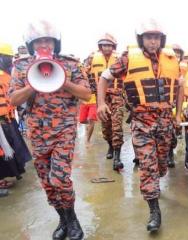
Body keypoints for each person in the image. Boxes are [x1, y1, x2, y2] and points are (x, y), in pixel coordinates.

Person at [9, 20, 91, 240]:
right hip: (37, 132)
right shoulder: (21, 66)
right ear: (31, 44)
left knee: (60, 179)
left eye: (48, 40)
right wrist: (31, 85)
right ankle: (62, 219)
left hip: (64, 129)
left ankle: (73, 219)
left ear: (56, 43)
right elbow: (13, 100)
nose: (44, 45)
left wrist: (64, 81)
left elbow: (86, 94)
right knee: (47, 182)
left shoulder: (71, 64)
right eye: (38, 41)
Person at [97, 19, 180, 232]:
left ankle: (156, 183)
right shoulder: (127, 59)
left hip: (165, 122)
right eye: (148, 37)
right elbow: (104, 78)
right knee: (147, 166)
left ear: (162, 40)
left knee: (161, 166)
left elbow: (179, 87)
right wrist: (100, 103)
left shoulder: (172, 59)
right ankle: (154, 210)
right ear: (141, 39)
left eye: (156, 37)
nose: (153, 41)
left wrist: (178, 114)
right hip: (142, 123)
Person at [84, 33, 124, 171]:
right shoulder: (91, 58)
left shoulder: (120, 58)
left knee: (117, 125)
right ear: (100, 46)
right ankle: (110, 146)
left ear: (113, 47)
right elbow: (84, 73)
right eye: (104, 45)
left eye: (109, 45)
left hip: (118, 96)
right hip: (101, 98)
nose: (107, 48)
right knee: (106, 127)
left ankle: (117, 156)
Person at [0, 42, 32, 196]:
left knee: (12, 149)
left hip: (8, 118)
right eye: (7, 57)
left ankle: (8, 175)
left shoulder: (7, 75)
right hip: (2, 121)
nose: (10, 61)